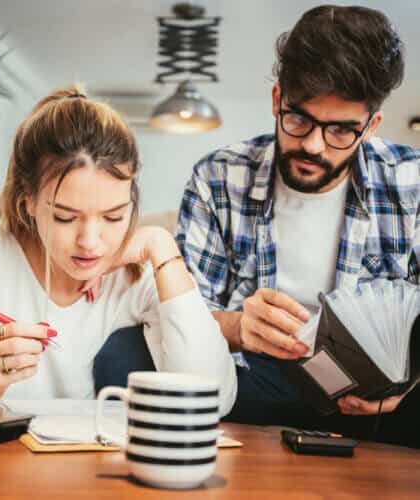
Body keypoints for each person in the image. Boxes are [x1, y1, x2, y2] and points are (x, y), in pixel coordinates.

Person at [176, 5, 420, 446]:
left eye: (341, 131)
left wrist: (410, 386)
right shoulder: (218, 176)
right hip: (259, 377)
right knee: (123, 355)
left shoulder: (411, 182)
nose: (312, 145)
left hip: (382, 399)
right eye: (299, 119)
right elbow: (181, 313)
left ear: (371, 126)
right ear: (276, 100)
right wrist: (236, 327)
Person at [0, 85, 237, 416]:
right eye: (65, 217)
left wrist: (163, 248)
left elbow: (212, 398)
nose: (90, 242)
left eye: (114, 216)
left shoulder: (138, 278)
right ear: (27, 200)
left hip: (82, 463)